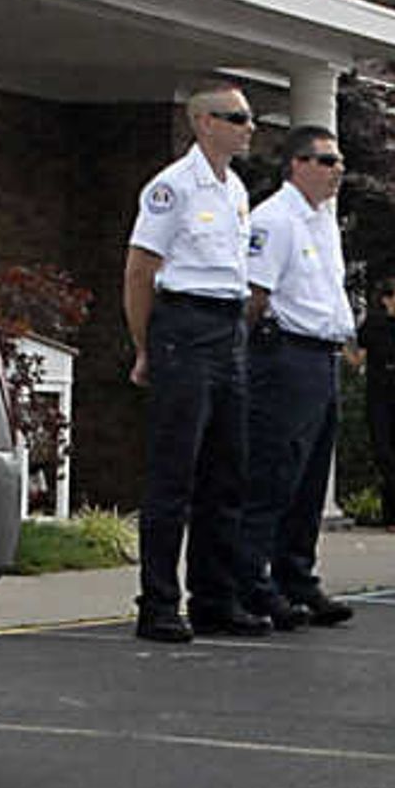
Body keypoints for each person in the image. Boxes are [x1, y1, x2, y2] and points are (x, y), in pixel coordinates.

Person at [121, 81, 260, 642]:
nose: (249, 127)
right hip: (184, 326)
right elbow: (139, 271)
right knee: (173, 473)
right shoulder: (172, 188)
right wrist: (145, 346)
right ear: (203, 122)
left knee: (227, 472)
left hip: (228, 329)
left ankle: (214, 598)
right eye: (237, 117)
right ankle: (157, 603)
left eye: (249, 117)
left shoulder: (236, 190)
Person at [233, 123, 358, 626]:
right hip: (285, 356)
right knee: (273, 473)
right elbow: (255, 297)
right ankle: (252, 582)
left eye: (340, 162)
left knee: (309, 479)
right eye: (327, 162)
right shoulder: (275, 219)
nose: (337, 171)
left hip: (322, 357)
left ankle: (296, 576)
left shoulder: (322, 221)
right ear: (297, 165)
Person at [356, 274, 395, 530]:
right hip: (378, 387)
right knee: (382, 448)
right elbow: (359, 357)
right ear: (387, 300)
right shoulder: (372, 324)